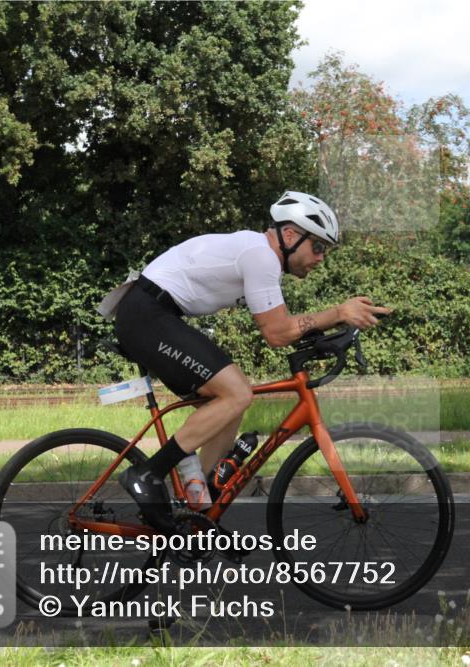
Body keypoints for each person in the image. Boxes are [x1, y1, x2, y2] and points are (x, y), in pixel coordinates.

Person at [113, 191, 390, 533]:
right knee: (237, 393)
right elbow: (277, 333)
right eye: (318, 246)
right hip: (147, 316)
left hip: (152, 314)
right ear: (291, 234)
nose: (321, 258)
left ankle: (200, 510)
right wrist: (337, 313)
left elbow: (285, 327)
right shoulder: (260, 256)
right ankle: (147, 474)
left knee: (230, 403)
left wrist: (330, 330)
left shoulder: (259, 254)